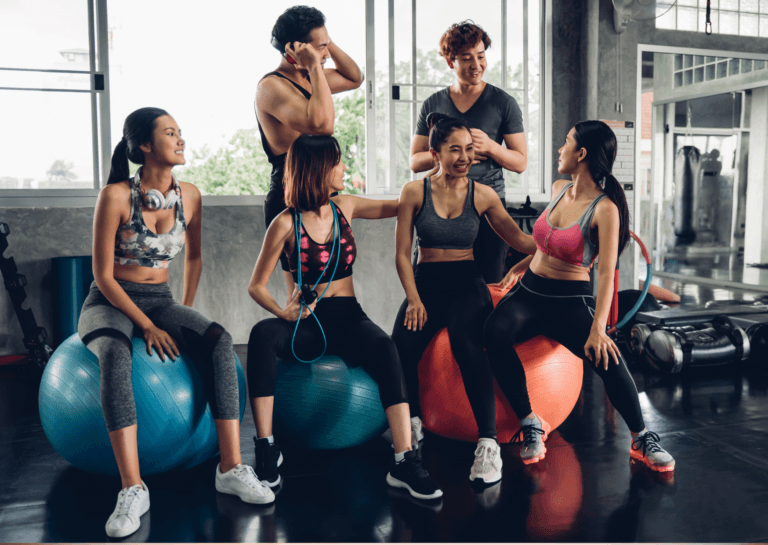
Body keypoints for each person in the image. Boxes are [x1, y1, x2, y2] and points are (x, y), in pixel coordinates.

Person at [79, 108, 274, 539]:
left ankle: (230, 466)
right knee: (115, 353)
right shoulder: (115, 196)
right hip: (108, 302)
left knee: (220, 341)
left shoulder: (191, 194)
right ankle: (133, 488)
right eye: (170, 133)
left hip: (161, 298)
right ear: (145, 145)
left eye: (180, 132)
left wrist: (183, 316)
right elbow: (102, 276)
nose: (181, 139)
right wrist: (147, 326)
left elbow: (195, 257)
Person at [247, 134, 442, 501]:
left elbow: (400, 205)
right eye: (337, 162)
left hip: (349, 316)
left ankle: (404, 460)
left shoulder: (345, 206)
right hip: (308, 322)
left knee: (386, 347)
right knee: (261, 335)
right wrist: (282, 310)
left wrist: (435, 175)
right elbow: (256, 285)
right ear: (319, 169)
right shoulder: (285, 223)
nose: (343, 168)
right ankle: (266, 448)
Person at [483, 120, 676, 472]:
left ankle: (641, 438)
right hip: (529, 293)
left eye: (566, 142)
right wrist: (521, 266)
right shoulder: (559, 188)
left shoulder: (605, 209)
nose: (560, 149)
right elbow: (546, 244)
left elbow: (604, 273)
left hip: (569, 300)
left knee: (608, 360)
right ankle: (530, 422)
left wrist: (599, 329)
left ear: (582, 153)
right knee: (493, 333)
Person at [393, 114, 537, 485]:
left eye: (469, 149)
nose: (464, 157)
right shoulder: (414, 192)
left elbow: (521, 241)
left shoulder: (483, 194)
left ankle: (487, 444)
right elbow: (401, 254)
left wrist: (565, 245)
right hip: (425, 282)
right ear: (434, 152)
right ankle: (413, 422)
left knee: (465, 341)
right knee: (400, 347)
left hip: (466, 283)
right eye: (454, 149)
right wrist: (413, 299)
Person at [256, 5, 363, 295]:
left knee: (332, 284)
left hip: (321, 187)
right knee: (303, 294)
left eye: (325, 46)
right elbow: (322, 125)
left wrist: (323, 45)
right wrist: (315, 63)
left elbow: (355, 78)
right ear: (295, 50)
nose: (326, 54)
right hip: (291, 189)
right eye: (320, 47)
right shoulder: (272, 87)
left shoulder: (311, 78)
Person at [410, 21, 527, 283]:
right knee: (434, 284)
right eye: (467, 58)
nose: (477, 65)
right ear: (451, 62)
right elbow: (415, 161)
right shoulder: (433, 103)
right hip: (440, 206)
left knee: (488, 285)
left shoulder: (503, 102)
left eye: (481, 55)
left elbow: (520, 162)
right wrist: (451, 151)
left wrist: (491, 147)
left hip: (488, 207)